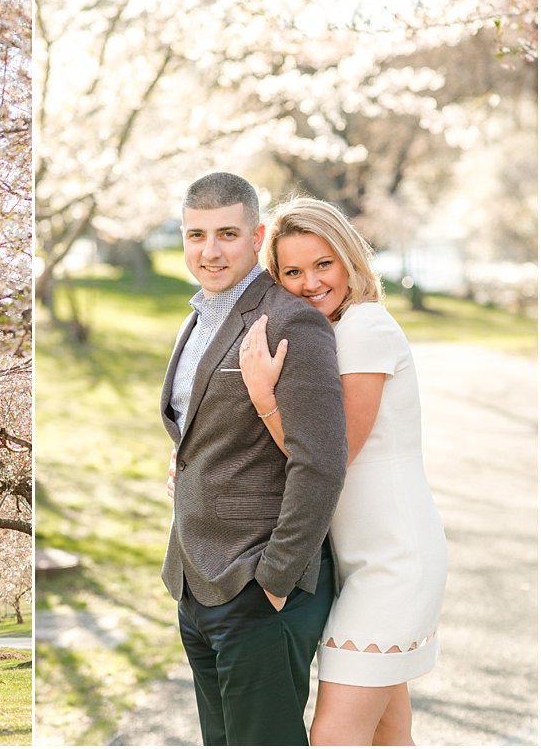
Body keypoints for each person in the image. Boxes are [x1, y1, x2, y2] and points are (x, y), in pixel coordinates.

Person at [238, 196, 447, 745]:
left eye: (323, 264)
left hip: (392, 563)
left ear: (350, 260)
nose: (309, 283)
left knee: (334, 737)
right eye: (293, 271)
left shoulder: (364, 327)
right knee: (388, 733)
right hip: (358, 562)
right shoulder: (330, 332)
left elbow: (331, 453)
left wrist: (263, 395)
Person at [160, 172, 348, 745]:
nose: (209, 251)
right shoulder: (198, 317)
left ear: (257, 235)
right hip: (196, 583)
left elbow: (320, 461)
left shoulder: (293, 322)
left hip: (259, 589)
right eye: (195, 235)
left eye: (226, 234)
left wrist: (275, 579)